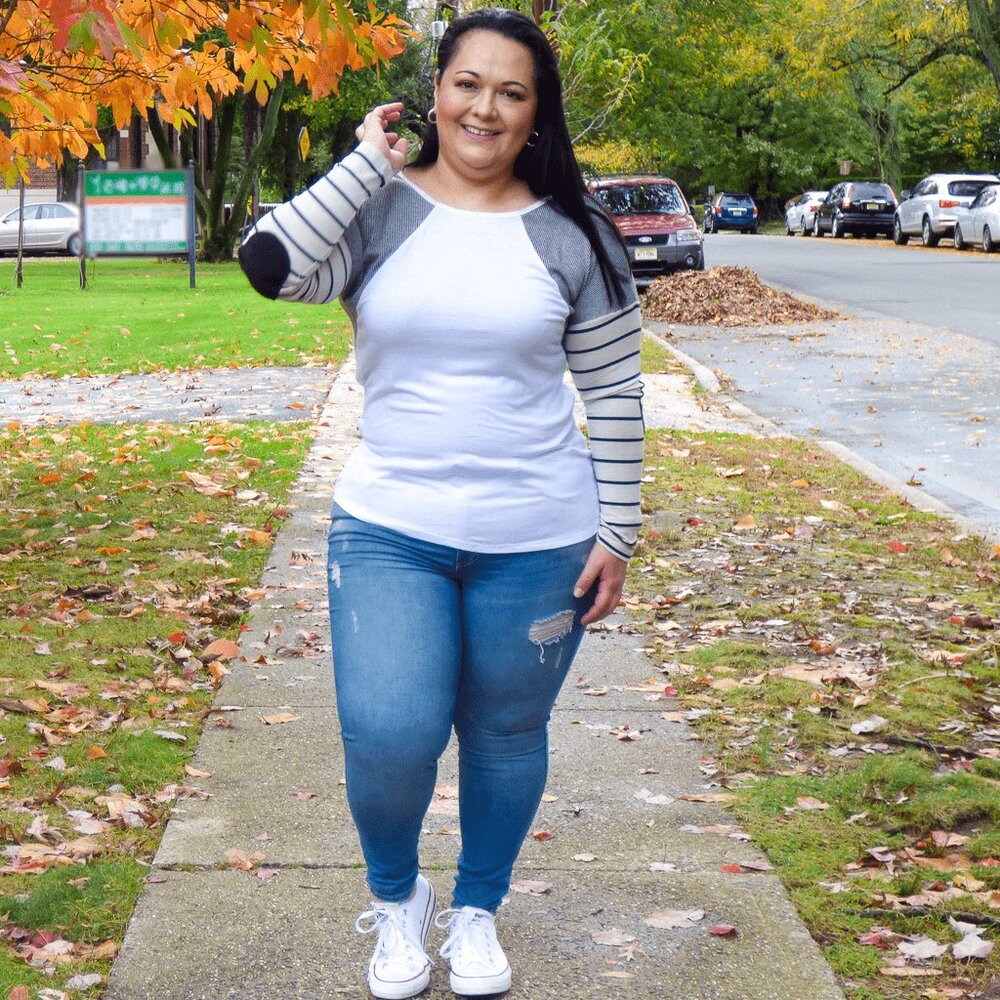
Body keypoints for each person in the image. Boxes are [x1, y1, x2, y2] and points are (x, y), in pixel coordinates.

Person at [239, 8, 643, 997]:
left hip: (539, 537)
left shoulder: (575, 235)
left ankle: (474, 913)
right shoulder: (375, 211)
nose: (485, 107)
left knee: (507, 732)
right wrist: (366, 163)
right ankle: (395, 903)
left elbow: (616, 392)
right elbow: (267, 266)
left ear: (535, 112)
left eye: (511, 91)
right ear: (435, 91)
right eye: (468, 83)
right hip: (390, 532)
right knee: (389, 730)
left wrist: (619, 529)